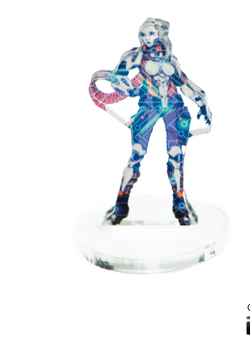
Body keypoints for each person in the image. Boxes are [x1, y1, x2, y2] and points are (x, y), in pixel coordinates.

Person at [91, 18, 212, 225]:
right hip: (149, 106)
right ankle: (121, 203)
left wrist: (203, 102)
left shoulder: (171, 60)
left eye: (150, 34)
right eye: (143, 34)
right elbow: (117, 77)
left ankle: (179, 204)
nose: (146, 38)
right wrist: (129, 88)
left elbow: (185, 84)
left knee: (176, 156)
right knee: (137, 153)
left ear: (161, 35)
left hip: (173, 106)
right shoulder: (136, 56)